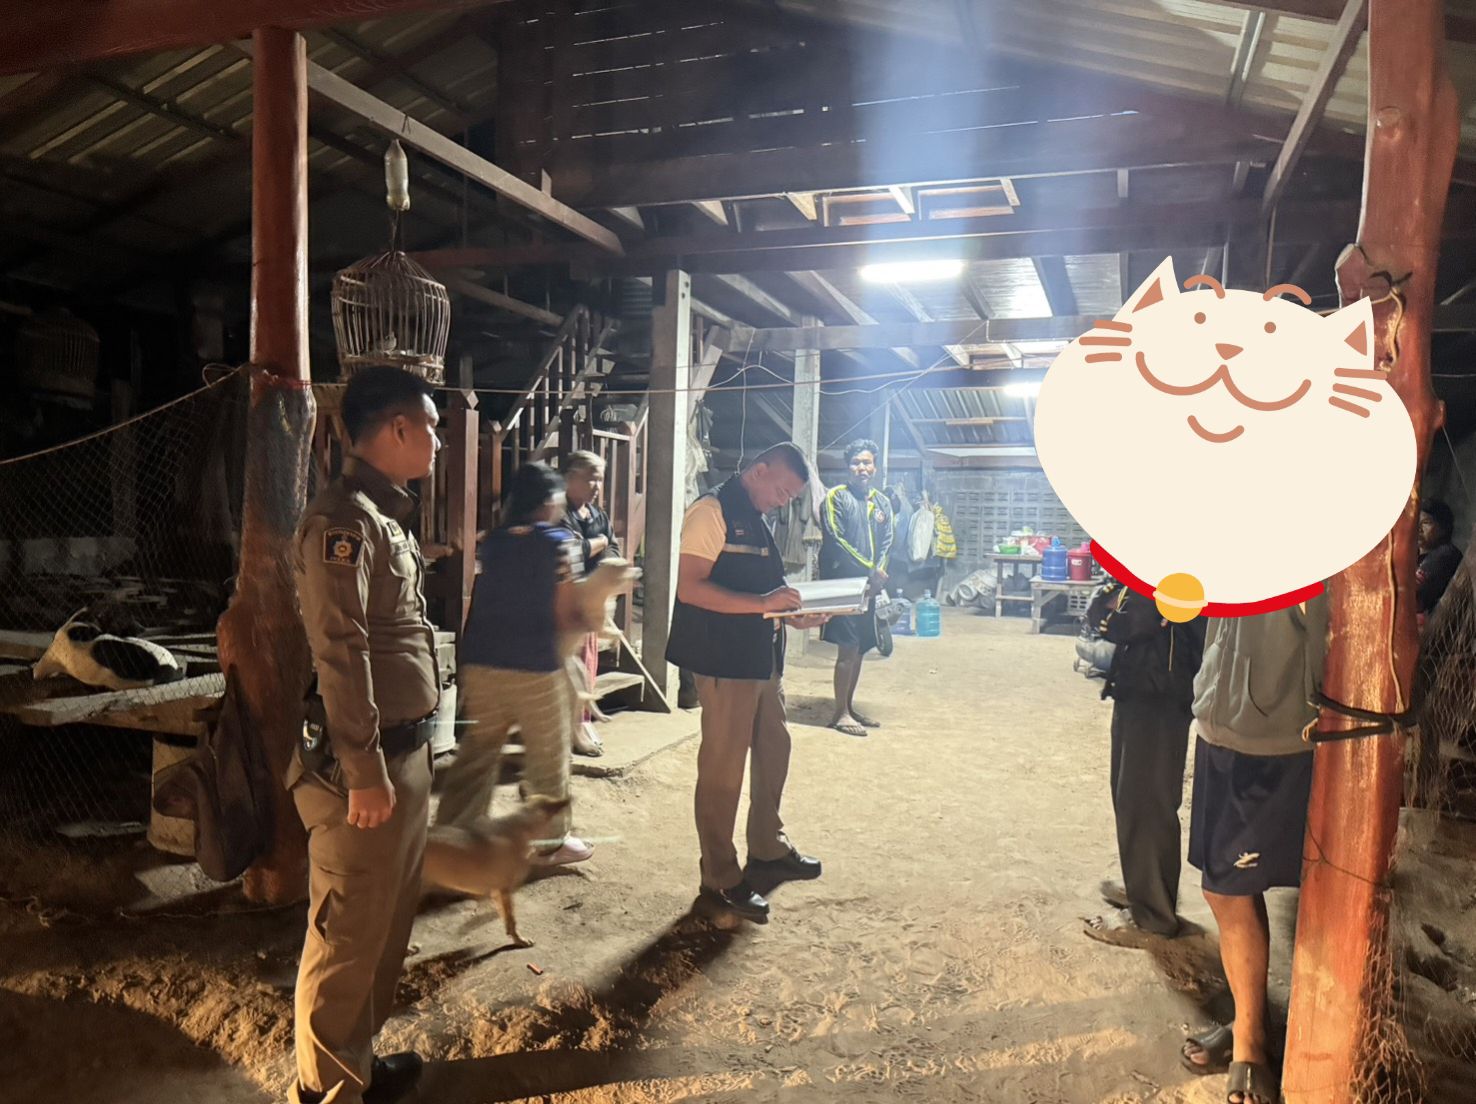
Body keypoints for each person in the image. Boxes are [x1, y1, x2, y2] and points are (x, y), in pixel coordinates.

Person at [289, 365, 443, 1104]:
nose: (439, 441)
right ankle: (326, 1092)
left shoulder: (384, 518)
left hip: (403, 753)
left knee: (384, 925)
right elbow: (340, 652)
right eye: (432, 426)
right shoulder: (342, 523)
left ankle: (358, 1070)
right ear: (398, 428)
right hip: (364, 766)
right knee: (348, 936)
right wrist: (364, 768)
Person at [665, 443, 831, 923]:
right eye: (781, 491)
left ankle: (767, 845)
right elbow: (690, 588)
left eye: (790, 497)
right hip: (724, 661)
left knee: (774, 747)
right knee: (723, 769)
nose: (783, 502)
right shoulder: (711, 511)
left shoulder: (757, 515)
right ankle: (719, 874)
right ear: (759, 471)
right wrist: (764, 605)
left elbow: (762, 591)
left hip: (761, 657)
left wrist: (791, 615)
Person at [1176, 596, 1329, 1104]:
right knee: (1222, 887)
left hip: (1272, 738)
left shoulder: (1315, 557)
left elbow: (1327, 631)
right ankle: (1249, 1022)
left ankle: (1252, 1045)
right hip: (1222, 722)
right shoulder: (1236, 552)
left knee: (1234, 886)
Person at [435, 461, 596, 866]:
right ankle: (550, 842)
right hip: (534, 667)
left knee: (476, 756)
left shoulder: (494, 541)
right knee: (548, 757)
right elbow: (567, 613)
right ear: (549, 501)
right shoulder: (560, 543)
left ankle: (453, 839)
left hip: (482, 663)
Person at [1081, 581, 1206, 946]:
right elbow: (1105, 612)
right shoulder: (1151, 571)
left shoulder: (1176, 571)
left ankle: (1153, 916)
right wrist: (1109, 606)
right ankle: (1143, 887)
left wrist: (1111, 608)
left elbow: (1127, 623)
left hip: (1161, 691)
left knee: (1146, 801)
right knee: (1129, 797)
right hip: (1140, 684)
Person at [818, 439, 893, 737]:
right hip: (844, 585)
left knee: (860, 648)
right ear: (847, 467)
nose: (862, 468)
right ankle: (840, 713)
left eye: (867, 462)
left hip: (870, 587)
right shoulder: (835, 497)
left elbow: (887, 541)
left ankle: (849, 705)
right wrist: (869, 570)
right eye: (856, 463)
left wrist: (879, 573)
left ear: (875, 466)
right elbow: (836, 539)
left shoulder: (882, 502)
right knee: (847, 648)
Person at [562, 450, 622, 758]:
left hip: (590, 602)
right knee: (569, 670)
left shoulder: (597, 515)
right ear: (570, 478)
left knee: (587, 664)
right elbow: (571, 552)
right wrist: (597, 544)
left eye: (600, 479)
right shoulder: (559, 511)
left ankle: (582, 722)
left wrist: (600, 551)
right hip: (563, 602)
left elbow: (613, 549)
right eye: (590, 479)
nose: (596, 486)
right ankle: (571, 728)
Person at [1417, 497, 1462, 619]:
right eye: (1416, 522)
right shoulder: (1414, 555)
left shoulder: (1447, 555)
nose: (1419, 529)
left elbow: (1416, 599)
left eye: (1426, 523)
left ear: (1443, 529)